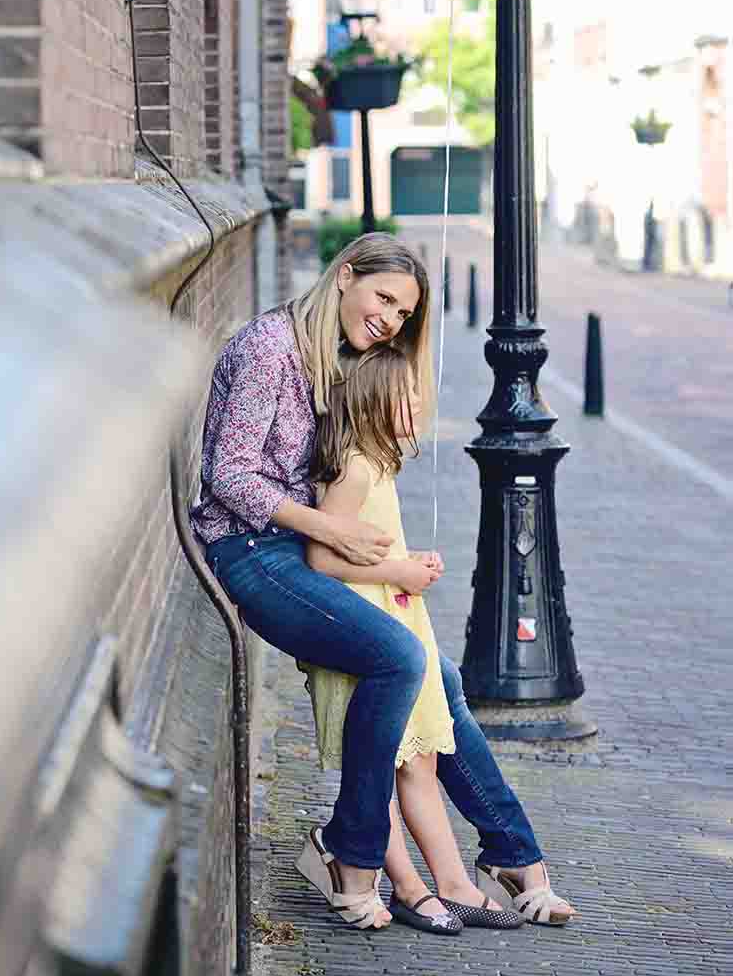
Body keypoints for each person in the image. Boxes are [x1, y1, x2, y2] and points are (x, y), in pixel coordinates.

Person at [191, 234, 573, 930]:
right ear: (344, 277)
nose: (390, 319)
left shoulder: (343, 353)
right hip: (250, 548)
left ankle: (508, 851)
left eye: (403, 312)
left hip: (301, 537)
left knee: (437, 674)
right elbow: (228, 472)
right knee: (396, 658)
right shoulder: (267, 348)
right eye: (384, 298)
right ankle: (351, 850)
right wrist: (330, 529)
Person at [303, 344, 566, 932]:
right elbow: (321, 560)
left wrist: (405, 561)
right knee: (376, 766)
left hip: (400, 619)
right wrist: (396, 572)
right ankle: (407, 884)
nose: (419, 404)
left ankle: (454, 884)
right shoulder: (353, 465)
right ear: (372, 398)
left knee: (419, 761)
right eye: (408, 394)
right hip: (362, 628)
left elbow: (367, 544)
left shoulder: (379, 461)